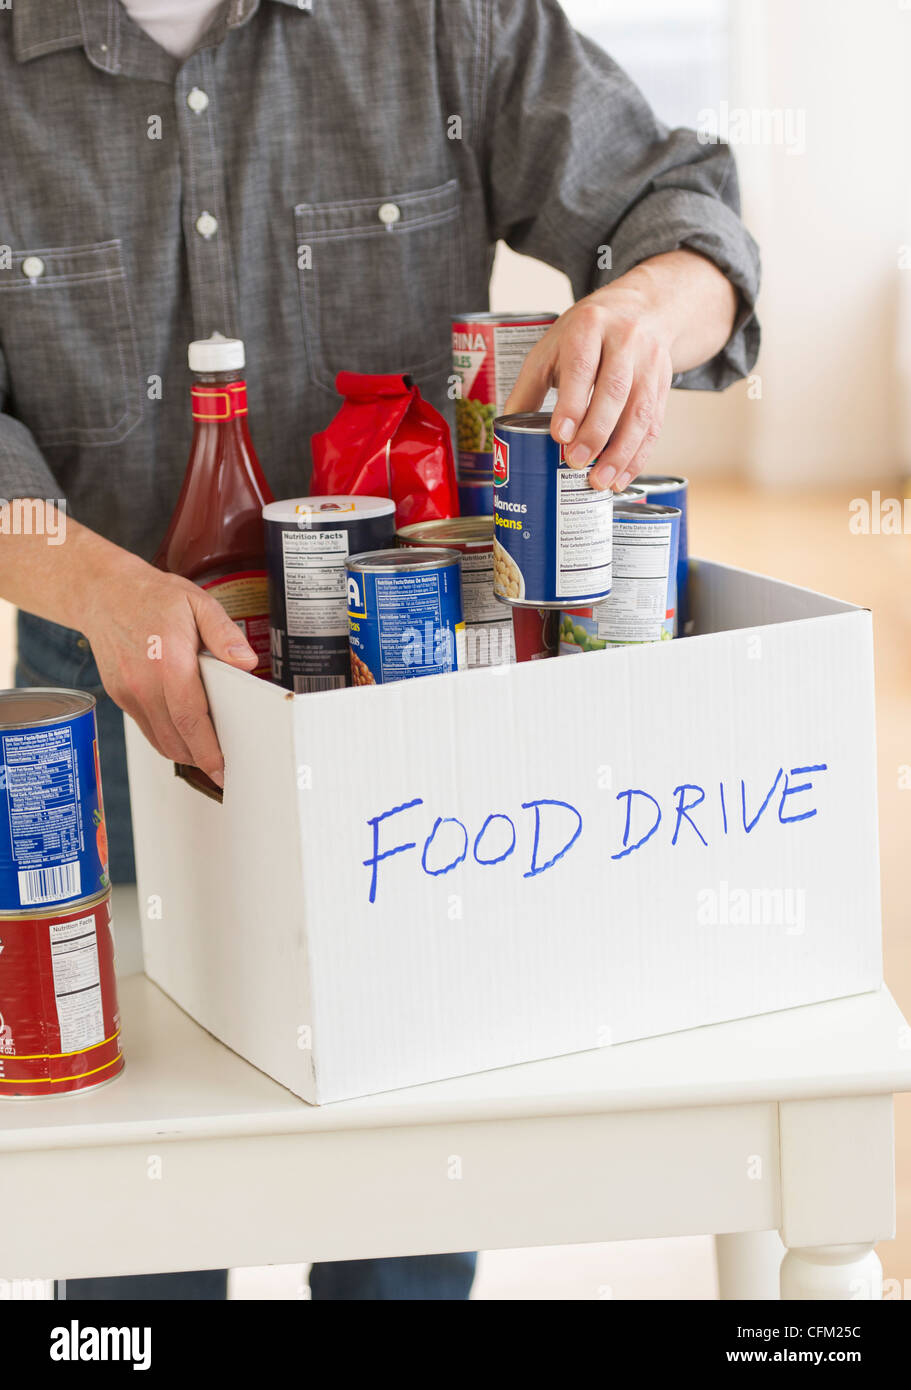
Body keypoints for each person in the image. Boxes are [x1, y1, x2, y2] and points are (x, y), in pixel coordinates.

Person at [0, 0, 759, 1300]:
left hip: (417, 746)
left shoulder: (441, 20)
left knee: (405, 1210)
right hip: (121, 735)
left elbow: (686, 212)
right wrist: (93, 579)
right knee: (141, 1225)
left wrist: (642, 309)